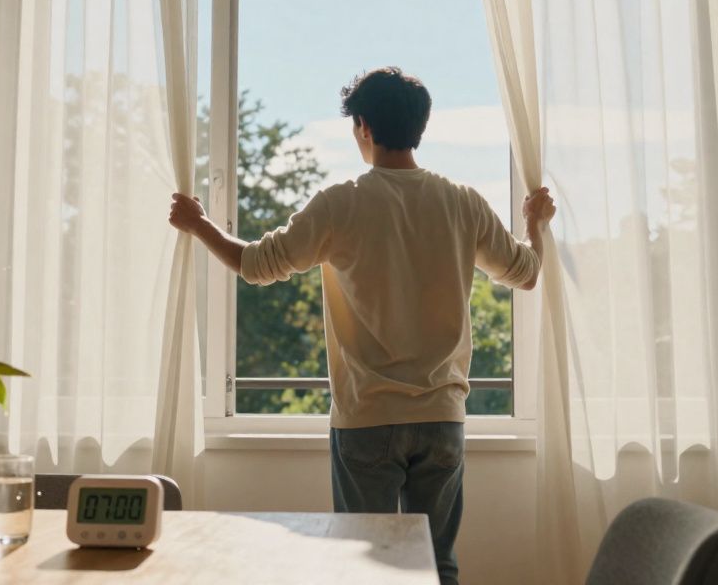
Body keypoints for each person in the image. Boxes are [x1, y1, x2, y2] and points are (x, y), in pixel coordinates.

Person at [167, 67, 555, 585]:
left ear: (364, 128)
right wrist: (534, 223)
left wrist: (198, 225)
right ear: (420, 126)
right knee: (437, 565)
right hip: (442, 417)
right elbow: (526, 274)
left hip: (367, 418)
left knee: (361, 569)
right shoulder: (462, 202)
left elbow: (257, 265)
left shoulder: (341, 202)